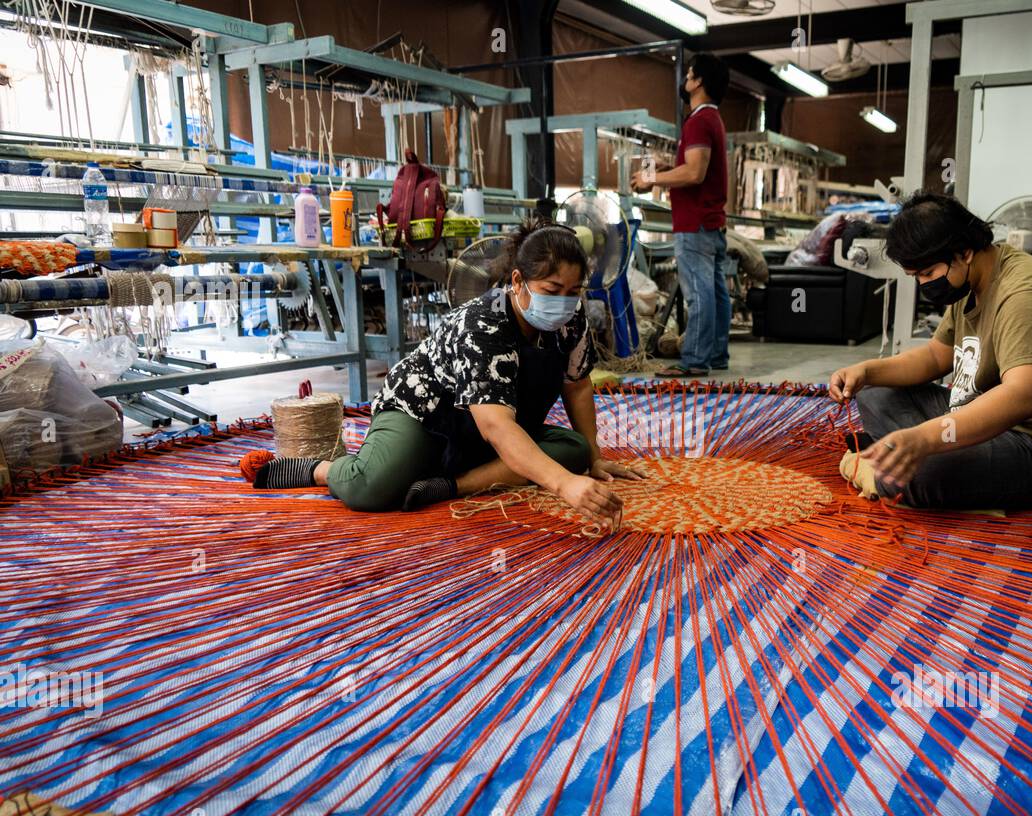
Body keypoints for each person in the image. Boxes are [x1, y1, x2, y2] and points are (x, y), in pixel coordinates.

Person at [243, 217, 647, 526]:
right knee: (371, 489)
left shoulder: (571, 323)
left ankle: (450, 485)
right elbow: (497, 428)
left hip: (495, 430)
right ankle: (321, 467)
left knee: (573, 452)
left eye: (573, 292)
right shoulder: (484, 323)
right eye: (552, 291)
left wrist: (592, 459)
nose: (564, 303)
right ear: (519, 281)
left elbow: (576, 387)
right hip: (427, 416)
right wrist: (563, 485)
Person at [829, 192, 1032, 512]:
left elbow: (1023, 396)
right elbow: (935, 356)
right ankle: (898, 464)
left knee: (922, 471)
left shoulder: (1025, 292)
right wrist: (866, 370)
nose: (924, 284)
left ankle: (881, 472)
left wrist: (925, 439)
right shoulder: (969, 280)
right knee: (874, 390)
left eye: (927, 274)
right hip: (978, 414)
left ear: (964, 252)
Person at [630, 53, 731, 378]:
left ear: (698, 80)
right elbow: (693, 168)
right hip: (710, 221)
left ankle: (695, 361)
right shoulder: (712, 118)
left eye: (689, 73)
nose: (685, 78)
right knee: (715, 292)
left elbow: (696, 173)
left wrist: (651, 178)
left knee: (699, 294)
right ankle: (715, 354)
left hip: (695, 223)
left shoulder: (699, 120)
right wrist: (665, 169)